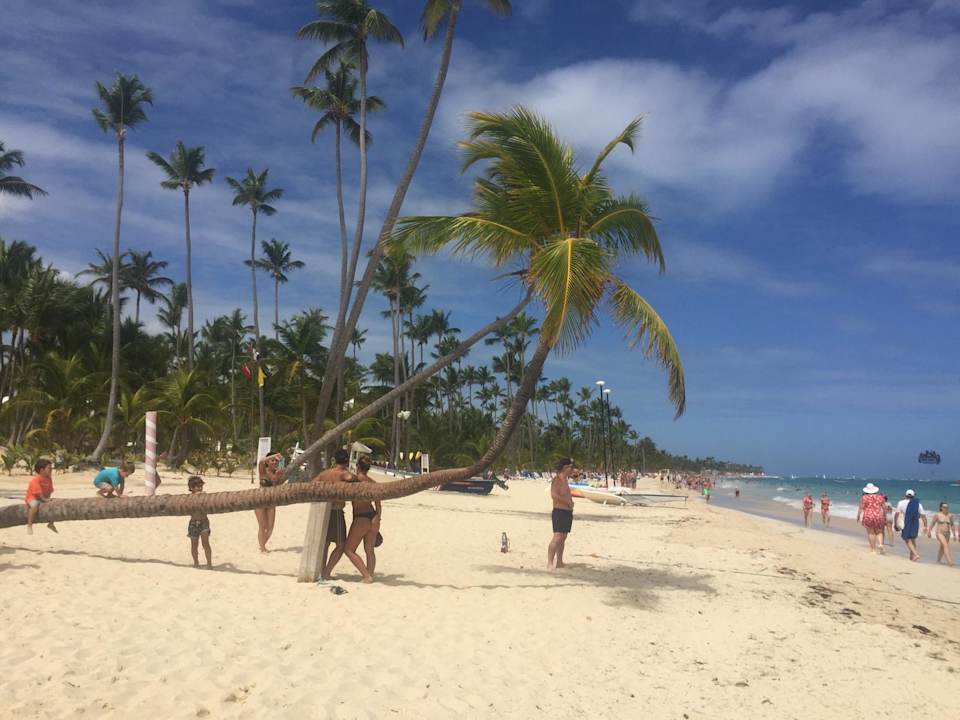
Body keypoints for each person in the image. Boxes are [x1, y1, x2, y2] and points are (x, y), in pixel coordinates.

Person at [325, 457, 380, 583]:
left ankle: (366, 575)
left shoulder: (355, 481)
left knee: (349, 550)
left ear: (358, 466)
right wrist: (379, 517)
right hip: (374, 516)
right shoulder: (373, 482)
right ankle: (370, 574)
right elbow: (378, 502)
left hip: (361, 517)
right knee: (369, 550)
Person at [314, 448, 356, 580]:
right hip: (336, 511)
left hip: (324, 510)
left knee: (325, 543)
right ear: (346, 461)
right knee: (341, 544)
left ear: (334, 460)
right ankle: (326, 572)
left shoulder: (325, 473)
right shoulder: (342, 473)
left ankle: (322, 571)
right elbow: (350, 478)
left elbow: (313, 482)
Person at [548, 458, 575, 570]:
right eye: (570, 467)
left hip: (567, 512)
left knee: (563, 537)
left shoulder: (565, 480)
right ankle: (550, 563)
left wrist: (571, 502)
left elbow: (565, 494)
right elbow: (554, 495)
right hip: (559, 512)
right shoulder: (557, 480)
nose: (572, 470)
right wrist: (567, 502)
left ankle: (559, 561)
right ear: (565, 467)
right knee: (557, 537)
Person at [255, 452, 284, 553]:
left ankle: (262, 545)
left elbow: (278, 487)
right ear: (267, 462)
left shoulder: (277, 473)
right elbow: (260, 462)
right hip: (260, 500)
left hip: (271, 501)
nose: (275, 462)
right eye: (272, 460)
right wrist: (273, 455)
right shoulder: (263, 471)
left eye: (276, 461)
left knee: (270, 528)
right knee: (262, 526)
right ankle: (262, 548)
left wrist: (279, 476)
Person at [24, 458, 57, 534]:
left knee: (53, 504)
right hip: (32, 497)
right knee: (34, 505)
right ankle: (29, 525)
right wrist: (44, 500)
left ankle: (51, 523)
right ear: (42, 470)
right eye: (49, 468)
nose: (51, 470)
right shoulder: (36, 479)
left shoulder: (49, 479)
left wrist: (48, 499)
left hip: (43, 498)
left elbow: (49, 490)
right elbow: (38, 493)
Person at [186, 476, 212, 569]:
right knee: (194, 545)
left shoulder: (204, 496)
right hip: (193, 524)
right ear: (192, 488)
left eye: (201, 486)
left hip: (204, 522)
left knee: (206, 543)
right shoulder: (189, 498)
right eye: (198, 486)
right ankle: (196, 563)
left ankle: (209, 564)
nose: (200, 488)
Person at [896, 489, 928, 562]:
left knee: (907, 539)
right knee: (913, 540)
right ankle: (912, 558)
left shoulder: (901, 503)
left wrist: (895, 523)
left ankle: (915, 554)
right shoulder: (918, 504)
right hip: (915, 523)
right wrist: (925, 526)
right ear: (913, 496)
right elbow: (923, 515)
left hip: (906, 523)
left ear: (905, 495)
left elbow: (897, 514)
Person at [856, 483, 886, 554]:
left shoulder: (864, 497)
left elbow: (861, 508)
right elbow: (884, 508)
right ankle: (880, 544)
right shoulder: (880, 497)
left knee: (871, 533)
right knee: (879, 532)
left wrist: (858, 516)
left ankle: (873, 550)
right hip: (878, 516)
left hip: (868, 516)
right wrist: (884, 516)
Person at [926, 502, 956, 566]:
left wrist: (954, 534)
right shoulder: (937, 515)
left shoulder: (950, 515)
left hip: (947, 534)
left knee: (942, 547)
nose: (946, 508)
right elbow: (932, 523)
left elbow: (952, 525)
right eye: (944, 507)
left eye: (947, 507)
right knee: (945, 545)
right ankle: (950, 561)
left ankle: (938, 560)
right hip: (939, 533)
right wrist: (929, 531)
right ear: (941, 508)